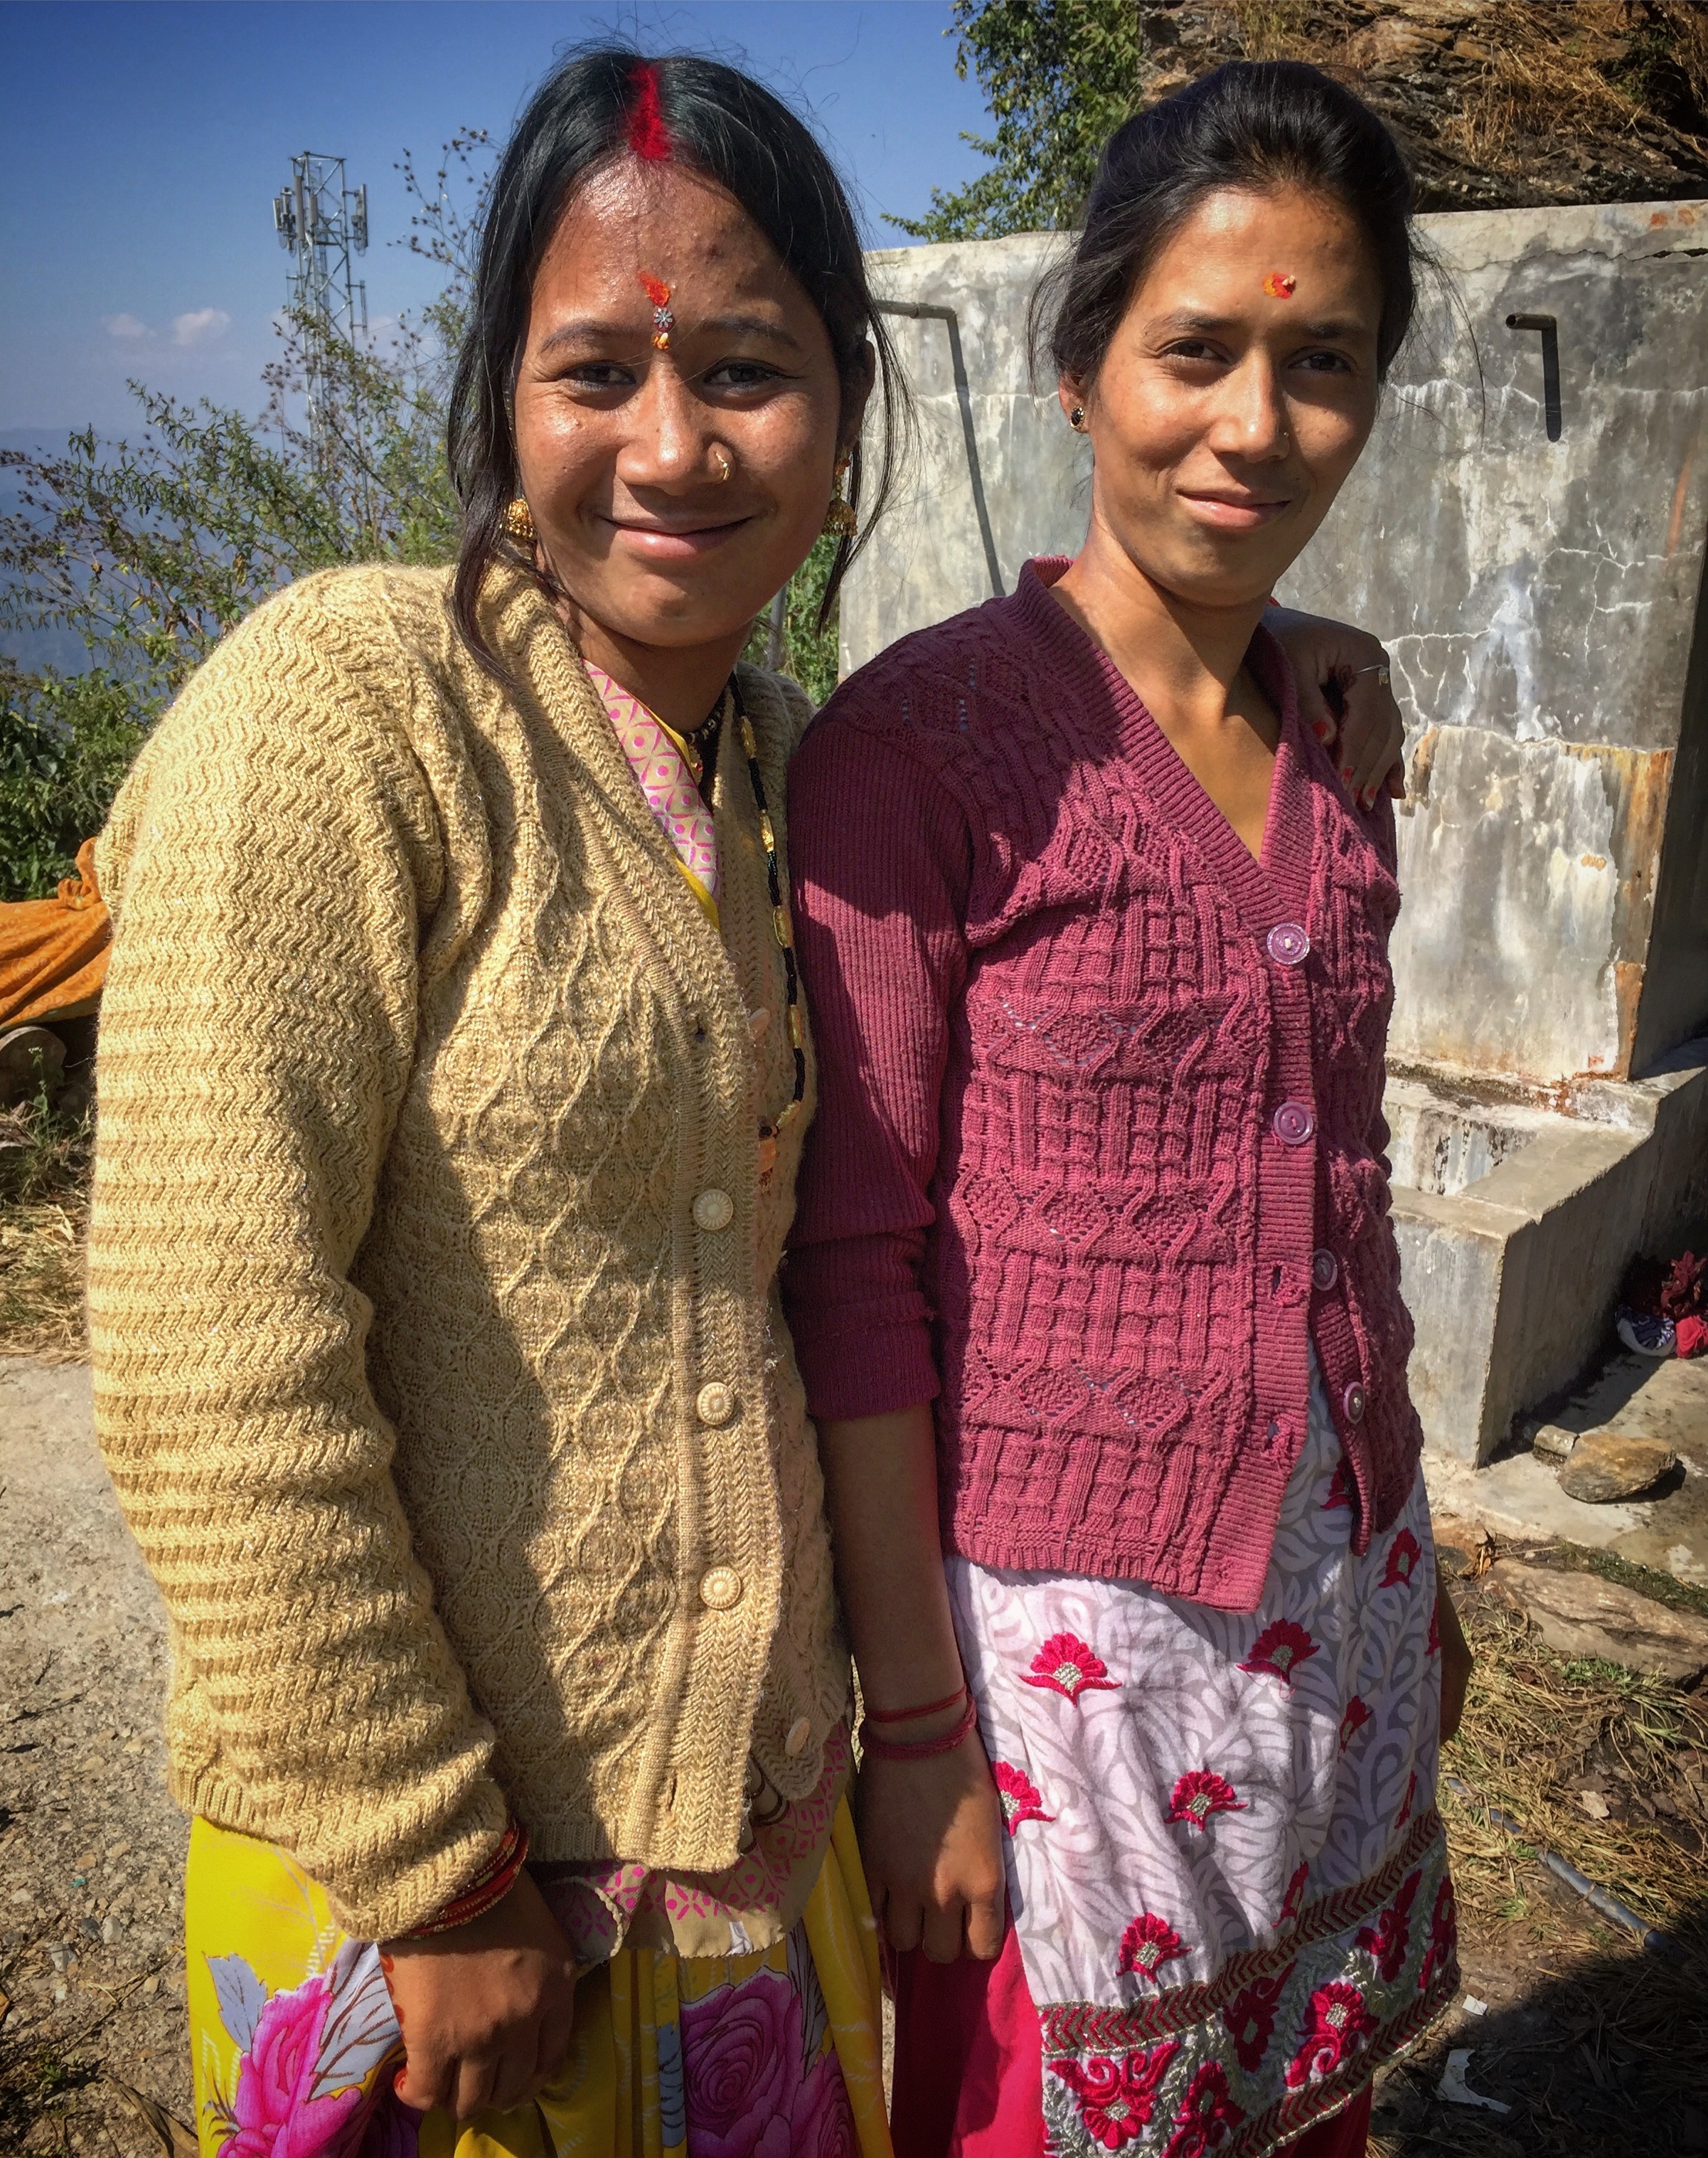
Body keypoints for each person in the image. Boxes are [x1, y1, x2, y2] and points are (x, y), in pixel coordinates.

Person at [90, 43, 1413, 2158]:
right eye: (595, 371)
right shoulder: (348, 715)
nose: (674, 445)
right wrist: (431, 1860)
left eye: (746, 370)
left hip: (745, 1863)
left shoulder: (792, 773)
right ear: (501, 399)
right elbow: (206, 1342)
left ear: (846, 408)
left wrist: (1292, 641)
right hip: (431, 1912)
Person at [784, 60, 1472, 2158]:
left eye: (1322, 363)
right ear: (1078, 367)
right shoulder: (925, 751)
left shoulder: (1334, 733)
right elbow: (858, 1266)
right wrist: (920, 1731)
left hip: (1340, 1596)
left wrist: (1409, 1552)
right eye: (1195, 351)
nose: (1255, 425)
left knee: (1304, 2104)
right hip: (1065, 1670)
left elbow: (1339, 1191)